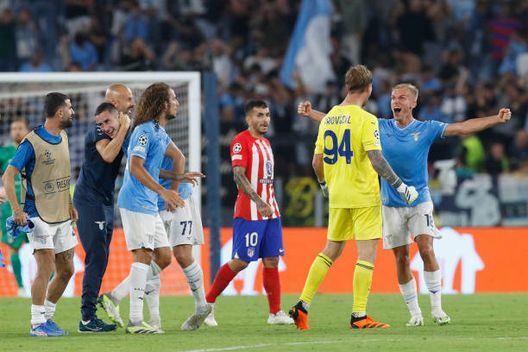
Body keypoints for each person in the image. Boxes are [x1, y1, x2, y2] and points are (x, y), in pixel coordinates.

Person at [298, 82, 511, 326]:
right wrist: (311, 113)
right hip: (390, 203)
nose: (395, 102)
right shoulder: (378, 126)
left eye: (401, 98)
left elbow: (462, 128)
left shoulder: (427, 128)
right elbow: (343, 122)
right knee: (401, 258)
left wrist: (496, 118)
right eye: (392, 98)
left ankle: (437, 308)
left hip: (419, 199)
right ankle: (415, 313)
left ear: (413, 103)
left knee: (426, 248)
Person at [289, 65, 418, 330]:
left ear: (347, 87)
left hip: (337, 195)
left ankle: (302, 305)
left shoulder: (329, 118)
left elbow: (316, 162)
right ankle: (359, 315)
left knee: (330, 251)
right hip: (362, 195)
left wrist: (324, 186)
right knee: (366, 254)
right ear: (369, 88)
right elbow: (377, 160)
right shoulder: (366, 119)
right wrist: (401, 187)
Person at [205, 100, 294, 326]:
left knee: (272, 259)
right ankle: (208, 303)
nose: (265, 119)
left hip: (270, 211)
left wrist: (269, 204)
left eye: (267, 115)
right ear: (248, 119)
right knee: (242, 261)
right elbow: (238, 175)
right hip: (250, 211)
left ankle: (275, 313)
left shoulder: (266, 143)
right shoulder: (239, 141)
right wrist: (259, 201)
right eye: (259, 115)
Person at [2, 92, 77, 336]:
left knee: (66, 270)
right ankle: (36, 324)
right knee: (45, 265)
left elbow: (62, 177)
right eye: (69, 107)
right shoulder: (31, 142)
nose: (73, 111)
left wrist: (69, 203)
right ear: (59, 113)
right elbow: (8, 175)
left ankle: (47, 317)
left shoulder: (64, 136)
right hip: (38, 215)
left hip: (62, 214)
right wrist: (17, 210)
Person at [117, 82, 185, 334]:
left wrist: (180, 179)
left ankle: (115, 295)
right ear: (162, 103)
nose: (177, 102)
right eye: (173, 98)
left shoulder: (158, 131)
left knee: (164, 257)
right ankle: (135, 320)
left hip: (148, 203)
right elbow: (135, 167)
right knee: (143, 253)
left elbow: (170, 160)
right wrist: (164, 191)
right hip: (135, 200)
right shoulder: (144, 131)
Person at [74, 101, 131, 333]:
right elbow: (108, 155)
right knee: (96, 257)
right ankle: (87, 318)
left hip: (105, 201)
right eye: (101, 122)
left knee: (102, 258)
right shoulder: (96, 132)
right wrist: (124, 128)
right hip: (88, 201)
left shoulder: (124, 131)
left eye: (108, 121)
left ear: (119, 117)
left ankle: (88, 315)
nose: (105, 126)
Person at [0, 117, 30, 297]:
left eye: (20, 128)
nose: (17, 131)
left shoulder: (32, 150)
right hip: (10, 207)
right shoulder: (4, 153)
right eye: (14, 128)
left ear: (26, 130)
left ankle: (47, 287)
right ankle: (20, 288)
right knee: (14, 248)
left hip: (33, 205)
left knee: (43, 248)